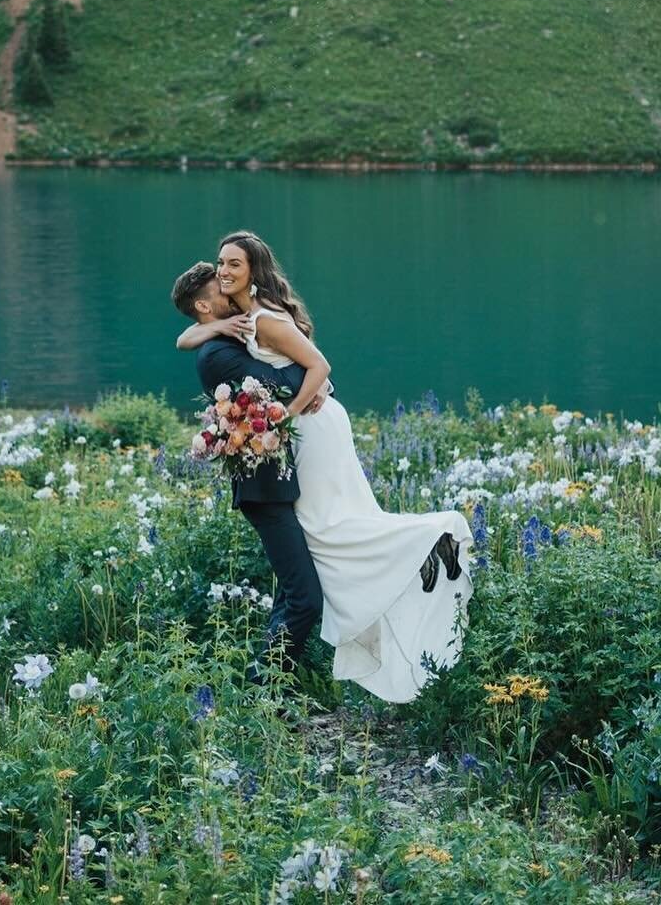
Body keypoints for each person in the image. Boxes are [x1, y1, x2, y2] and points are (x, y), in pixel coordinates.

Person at [176, 230, 473, 704]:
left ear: (252, 271)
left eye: (232, 266)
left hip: (309, 433)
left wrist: (298, 402)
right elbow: (193, 339)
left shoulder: (261, 321)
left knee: (334, 529)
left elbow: (309, 370)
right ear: (207, 307)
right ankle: (269, 690)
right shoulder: (223, 336)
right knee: (327, 537)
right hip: (296, 444)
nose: (224, 276)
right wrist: (218, 332)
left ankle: (426, 544)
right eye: (218, 273)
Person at [172, 259, 325, 685]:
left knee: (291, 593)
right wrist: (317, 377)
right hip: (263, 487)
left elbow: (187, 336)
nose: (230, 285)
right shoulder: (219, 354)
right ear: (205, 307)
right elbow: (284, 383)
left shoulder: (229, 336)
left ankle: (269, 694)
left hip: (274, 482)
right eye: (220, 289)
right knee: (304, 599)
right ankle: (263, 692)